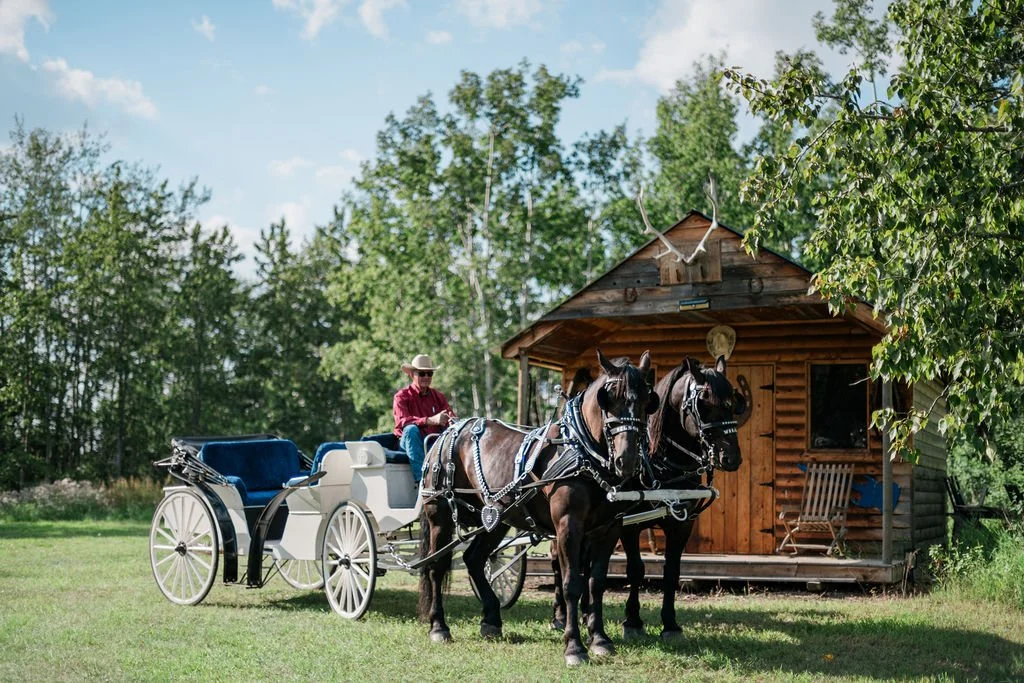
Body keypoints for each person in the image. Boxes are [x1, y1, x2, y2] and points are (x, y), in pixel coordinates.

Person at [393, 353, 456, 485]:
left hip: (433, 443)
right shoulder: (401, 396)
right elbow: (402, 422)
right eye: (422, 374)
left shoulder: (439, 396)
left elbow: (450, 415)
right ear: (412, 374)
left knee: (455, 431)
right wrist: (430, 420)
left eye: (429, 374)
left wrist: (451, 420)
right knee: (411, 430)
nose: (426, 377)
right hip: (408, 444)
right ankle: (422, 481)